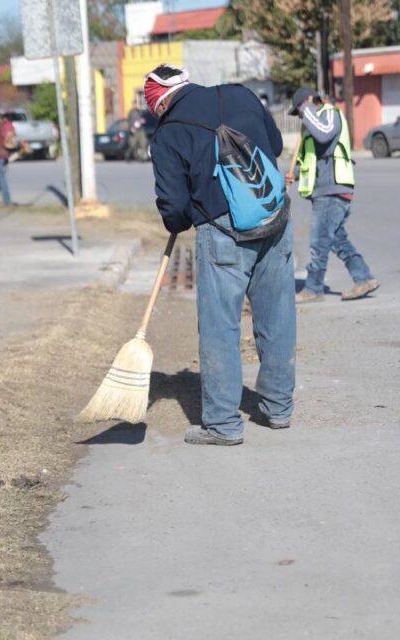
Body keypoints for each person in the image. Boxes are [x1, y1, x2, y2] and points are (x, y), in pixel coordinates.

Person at [147, 64, 294, 447]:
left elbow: (175, 208)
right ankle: (279, 409)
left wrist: (177, 221)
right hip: (273, 217)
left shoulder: (167, 133)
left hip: (224, 230)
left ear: (159, 104)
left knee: (220, 328)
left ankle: (223, 424)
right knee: (277, 316)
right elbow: (274, 146)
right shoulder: (241, 94)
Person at [286, 87, 379, 303]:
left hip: (333, 190)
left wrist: (307, 108)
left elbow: (325, 133)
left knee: (319, 240)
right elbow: (312, 160)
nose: (300, 116)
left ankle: (313, 288)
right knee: (336, 239)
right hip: (324, 190)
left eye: (299, 111)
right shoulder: (312, 125)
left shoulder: (329, 114)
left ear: (309, 103)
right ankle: (364, 277)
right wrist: (293, 174)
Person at [126, 94, 149, 161]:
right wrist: (130, 128)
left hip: (140, 130)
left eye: (137, 104)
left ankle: (142, 158)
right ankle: (127, 156)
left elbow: (144, 119)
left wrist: (143, 121)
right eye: (135, 104)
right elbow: (129, 121)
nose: (136, 105)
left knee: (143, 143)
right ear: (133, 105)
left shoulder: (140, 112)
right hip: (134, 130)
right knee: (132, 145)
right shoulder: (131, 113)